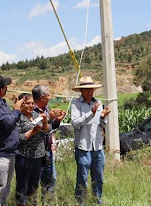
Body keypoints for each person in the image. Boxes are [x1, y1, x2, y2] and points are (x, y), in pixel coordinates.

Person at [70, 76, 110, 205]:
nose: (89, 92)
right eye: (86, 89)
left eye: (91, 89)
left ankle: (97, 200)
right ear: (81, 91)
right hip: (83, 147)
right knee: (82, 178)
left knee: (98, 177)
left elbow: (102, 125)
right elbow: (75, 123)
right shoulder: (76, 104)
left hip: (97, 146)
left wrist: (103, 117)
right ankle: (80, 202)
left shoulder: (98, 102)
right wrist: (90, 114)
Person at [0, 75, 23, 206]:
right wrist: (17, 110)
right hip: (0, 153)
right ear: (2, 90)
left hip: (9, 151)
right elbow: (6, 122)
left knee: (5, 189)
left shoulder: (1, 103)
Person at [31, 84, 66, 200]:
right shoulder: (31, 109)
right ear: (42, 98)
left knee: (50, 180)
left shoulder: (46, 108)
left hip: (47, 150)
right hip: (35, 152)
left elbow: (49, 129)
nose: (50, 97)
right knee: (34, 183)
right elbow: (35, 126)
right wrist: (48, 117)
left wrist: (57, 121)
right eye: (48, 95)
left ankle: (48, 202)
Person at [15, 93, 49, 206]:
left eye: (32, 103)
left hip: (38, 156)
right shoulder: (17, 117)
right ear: (21, 103)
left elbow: (46, 131)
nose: (30, 106)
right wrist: (33, 132)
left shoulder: (36, 114)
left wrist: (44, 122)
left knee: (34, 186)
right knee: (22, 186)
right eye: (27, 103)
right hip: (24, 156)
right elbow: (18, 138)